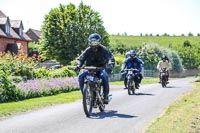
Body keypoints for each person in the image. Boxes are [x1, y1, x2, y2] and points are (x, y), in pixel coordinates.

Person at [74, 33, 115, 104]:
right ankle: (85, 96)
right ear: (89, 42)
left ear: (99, 42)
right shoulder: (88, 50)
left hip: (100, 69)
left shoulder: (104, 49)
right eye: (92, 42)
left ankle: (105, 96)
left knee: (104, 76)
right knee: (81, 77)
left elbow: (110, 58)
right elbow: (80, 58)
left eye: (95, 42)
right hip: (89, 69)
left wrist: (110, 66)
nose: (94, 44)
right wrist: (78, 65)